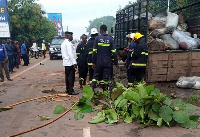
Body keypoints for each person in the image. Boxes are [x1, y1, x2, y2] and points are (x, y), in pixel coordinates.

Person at [92, 24, 118, 91]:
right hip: (107, 61)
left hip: (99, 61)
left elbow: (94, 52)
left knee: (96, 75)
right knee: (106, 76)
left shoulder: (97, 38)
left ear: (101, 30)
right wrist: (116, 62)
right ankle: (105, 90)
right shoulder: (110, 39)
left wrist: (93, 62)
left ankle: (92, 89)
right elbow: (114, 52)